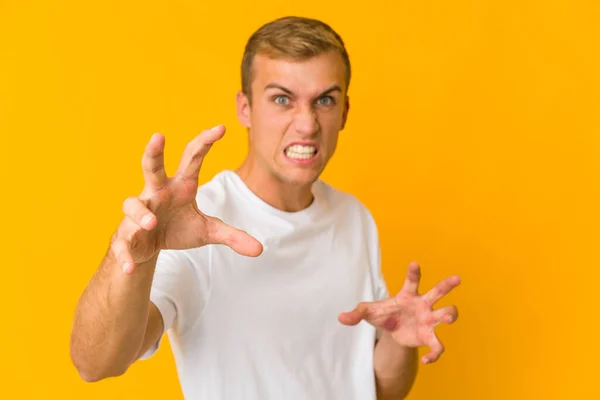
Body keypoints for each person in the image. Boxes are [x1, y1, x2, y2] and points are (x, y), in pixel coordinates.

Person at [70, 16, 461, 400]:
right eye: (281, 99)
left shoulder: (354, 217)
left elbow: (377, 390)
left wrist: (398, 338)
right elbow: (95, 364)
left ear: (344, 112)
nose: (307, 124)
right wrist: (134, 261)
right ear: (245, 109)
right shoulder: (195, 222)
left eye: (324, 100)